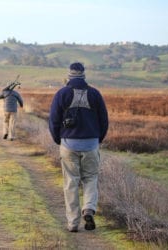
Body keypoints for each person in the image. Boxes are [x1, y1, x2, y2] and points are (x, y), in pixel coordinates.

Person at [48, 62, 108, 232]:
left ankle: (73, 223)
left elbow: (53, 120)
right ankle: (88, 208)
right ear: (84, 74)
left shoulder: (61, 93)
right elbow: (104, 120)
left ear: (69, 75)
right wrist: (97, 139)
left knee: (70, 182)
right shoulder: (95, 94)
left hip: (68, 144)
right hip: (91, 143)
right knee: (90, 178)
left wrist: (58, 139)